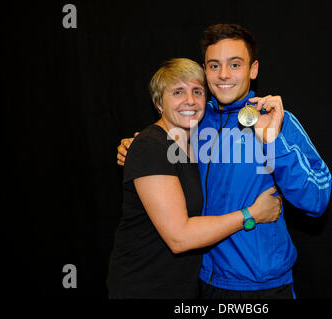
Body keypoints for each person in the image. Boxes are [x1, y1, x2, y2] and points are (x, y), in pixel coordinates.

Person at [117, 24, 332, 299]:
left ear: (253, 70)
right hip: (203, 281)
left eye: (235, 64)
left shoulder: (277, 120)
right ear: (205, 71)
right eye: (214, 65)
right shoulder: (194, 119)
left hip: (263, 286)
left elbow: (317, 202)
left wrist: (273, 141)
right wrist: (132, 148)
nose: (224, 75)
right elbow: (158, 148)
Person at [107, 58, 282, 299]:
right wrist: (252, 214)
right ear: (159, 103)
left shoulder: (194, 145)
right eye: (178, 92)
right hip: (144, 285)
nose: (190, 100)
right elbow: (179, 238)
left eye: (197, 91)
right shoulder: (150, 146)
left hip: (184, 287)